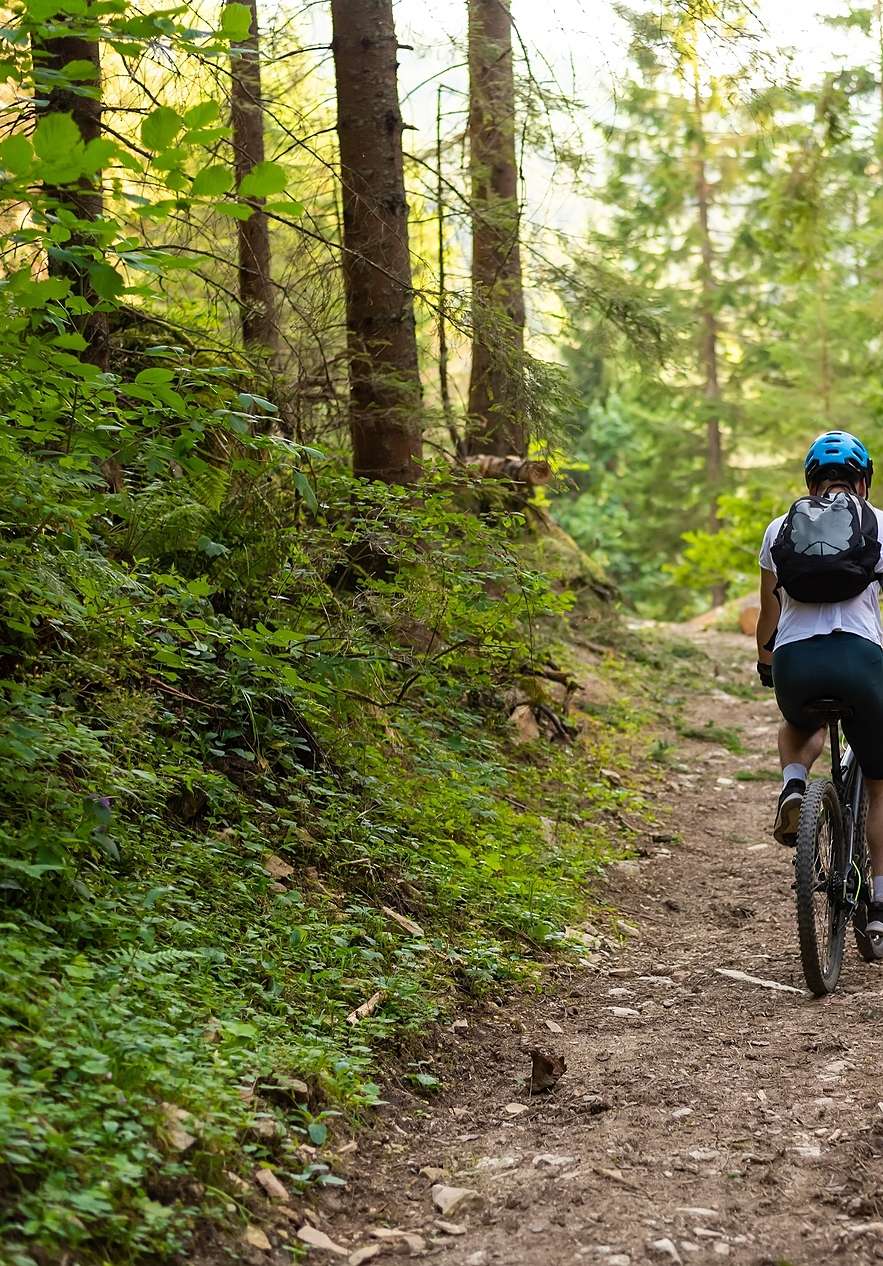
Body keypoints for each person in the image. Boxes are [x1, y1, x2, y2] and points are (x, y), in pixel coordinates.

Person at [756, 430, 883, 933]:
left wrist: (769, 666)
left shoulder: (777, 529)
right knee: (879, 781)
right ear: (864, 481)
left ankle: (794, 787)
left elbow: (769, 616)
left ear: (810, 482)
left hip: (796, 661)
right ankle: (878, 906)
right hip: (859, 659)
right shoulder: (878, 524)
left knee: (796, 723)